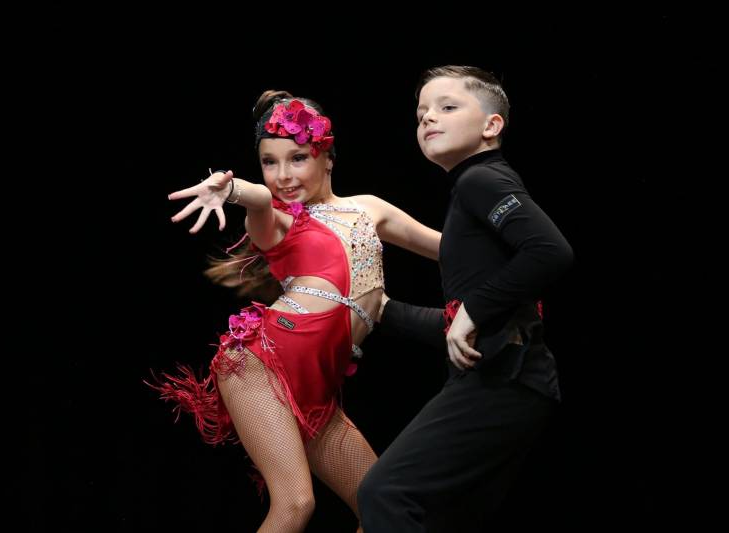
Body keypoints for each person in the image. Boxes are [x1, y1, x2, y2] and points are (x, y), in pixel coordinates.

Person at [149, 90, 440, 532]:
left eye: (297, 158)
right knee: (295, 504)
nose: (282, 175)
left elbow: (447, 248)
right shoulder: (281, 220)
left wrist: (511, 251)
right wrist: (230, 188)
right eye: (269, 162)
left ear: (327, 157)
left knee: (384, 510)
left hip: (317, 389)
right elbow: (259, 200)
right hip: (260, 363)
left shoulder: (368, 209)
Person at [357, 66, 574, 531]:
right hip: (507, 379)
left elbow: (551, 251)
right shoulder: (470, 189)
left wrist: (472, 311)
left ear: (491, 126)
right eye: (421, 114)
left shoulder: (482, 181)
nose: (428, 119)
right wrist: (384, 311)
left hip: (505, 381)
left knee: (384, 493)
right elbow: (469, 326)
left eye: (447, 107)